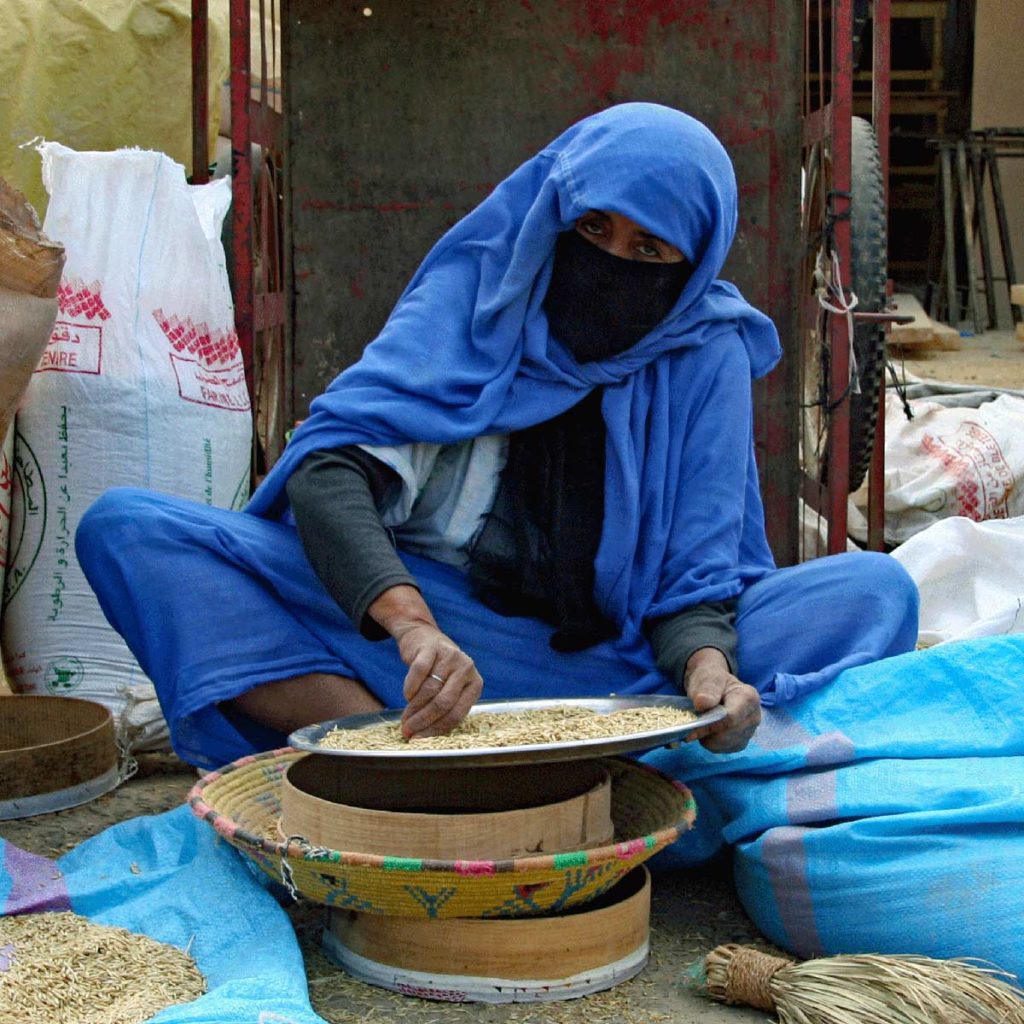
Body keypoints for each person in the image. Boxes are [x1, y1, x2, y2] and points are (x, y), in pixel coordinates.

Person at [76, 102, 919, 771]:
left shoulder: (705, 354)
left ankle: (603, 754)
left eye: (647, 249)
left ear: (688, 267)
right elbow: (331, 471)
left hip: (615, 669)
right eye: (594, 231)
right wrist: (412, 628)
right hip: (435, 633)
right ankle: (401, 761)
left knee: (874, 592)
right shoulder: (481, 290)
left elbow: (692, 586)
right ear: (557, 216)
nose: (611, 261)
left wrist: (707, 672)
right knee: (132, 532)